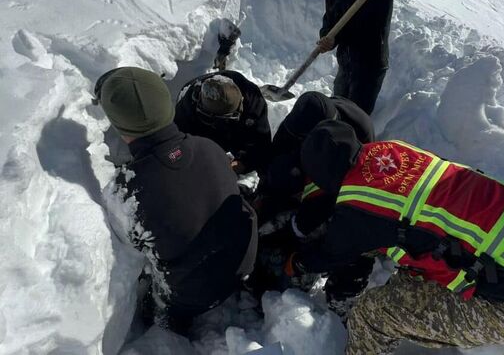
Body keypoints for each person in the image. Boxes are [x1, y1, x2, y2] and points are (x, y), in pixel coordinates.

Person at [284, 120, 504, 353]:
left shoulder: (357, 207)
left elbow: (331, 252)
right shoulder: (392, 150)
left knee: (371, 314)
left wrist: (296, 264)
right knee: (410, 244)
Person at [96, 67, 257, 335]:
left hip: (195, 294)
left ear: (119, 125)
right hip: (242, 264)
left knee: (157, 307)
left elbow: (131, 252)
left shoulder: (127, 190)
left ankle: (171, 329)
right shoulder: (209, 147)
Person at [315, 0, 438, 114]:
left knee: (354, 118)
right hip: (346, 66)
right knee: (335, 111)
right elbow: (329, 28)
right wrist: (327, 40)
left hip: (369, 65)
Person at [261, 91, 374, 197]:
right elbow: (280, 145)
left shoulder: (361, 130)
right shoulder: (303, 114)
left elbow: (357, 170)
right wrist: (266, 182)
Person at [174, 70, 271, 174]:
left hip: (236, 130)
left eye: (221, 120)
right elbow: (175, 150)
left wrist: (241, 164)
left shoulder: (253, 103)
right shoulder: (185, 110)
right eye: (209, 118)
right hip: (200, 132)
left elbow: (261, 145)